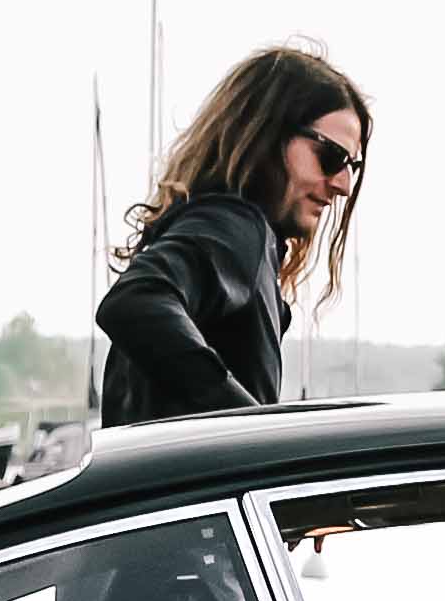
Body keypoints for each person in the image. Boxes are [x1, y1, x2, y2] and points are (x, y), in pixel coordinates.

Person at [93, 44, 371, 427]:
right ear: (266, 136)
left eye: (352, 166)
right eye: (332, 157)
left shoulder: (219, 230)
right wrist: (250, 428)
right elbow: (135, 301)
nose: (343, 185)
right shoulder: (237, 229)